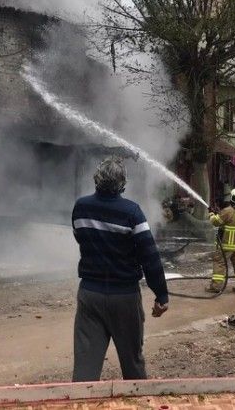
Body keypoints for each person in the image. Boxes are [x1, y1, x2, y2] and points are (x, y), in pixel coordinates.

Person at [70, 157, 169, 382]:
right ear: (122, 183)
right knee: (132, 363)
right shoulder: (132, 212)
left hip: (89, 295)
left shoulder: (81, 207)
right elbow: (150, 257)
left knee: (85, 367)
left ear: (97, 180)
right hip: (124, 297)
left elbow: (79, 238)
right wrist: (161, 294)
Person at [208, 188, 235, 294]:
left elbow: (216, 222)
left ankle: (216, 287)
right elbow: (229, 221)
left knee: (219, 263)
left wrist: (211, 214)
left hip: (226, 244)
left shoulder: (228, 211)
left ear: (234, 198)